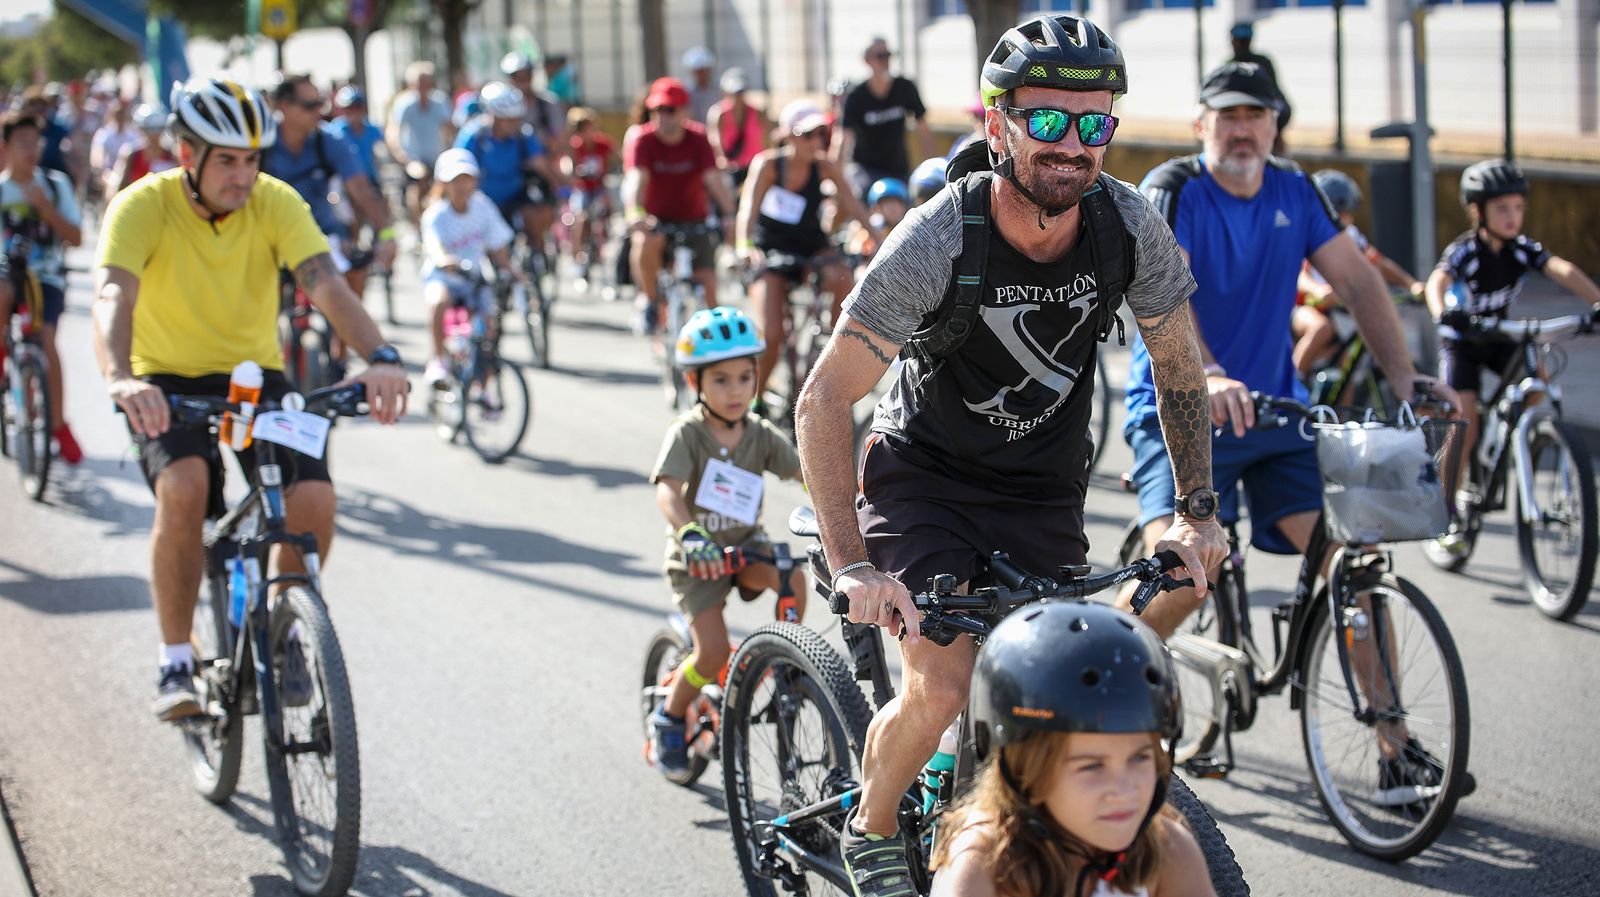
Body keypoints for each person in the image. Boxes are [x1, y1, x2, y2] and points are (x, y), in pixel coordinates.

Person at [793, 17, 1225, 895]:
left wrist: (1198, 513)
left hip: (1042, 489)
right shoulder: (939, 236)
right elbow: (824, 397)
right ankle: (871, 828)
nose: (1073, 145)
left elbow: (1178, 365)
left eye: (1093, 122)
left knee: (1062, 685)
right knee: (945, 683)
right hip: (927, 479)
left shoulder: (1127, 225)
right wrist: (854, 565)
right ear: (998, 126)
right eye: (1048, 121)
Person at [1126, 61, 1460, 806]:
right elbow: (1160, 295)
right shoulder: (1174, 189)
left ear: (1275, 124)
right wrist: (1206, 371)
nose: (1243, 129)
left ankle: (1394, 745)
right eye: (1228, 114)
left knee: (1355, 557)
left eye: (1258, 115)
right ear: (1200, 123)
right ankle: (1097, 707)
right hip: (1182, 411)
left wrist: (1407, 380)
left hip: (1278, 414)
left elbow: (1358, 281)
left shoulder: (1293, 188)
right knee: (1181, 570)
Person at [90, 77, 407, 720]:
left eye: (252, 159)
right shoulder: (140, 206)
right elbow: (112, 296)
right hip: (164, 380)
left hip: (254, 379)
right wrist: (122, 377)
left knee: (313, 496)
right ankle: (176, 659)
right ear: (188, 155)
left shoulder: (275, 202)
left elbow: (326, 285)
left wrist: (381, 356)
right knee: (182, 489)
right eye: (227, 161)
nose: (243, 175)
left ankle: (287, 626)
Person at [930, 602, 1215, 897]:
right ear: (1025, 770)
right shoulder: (982, 864)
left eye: (1139, 758)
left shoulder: (1164, 847)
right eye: (1091, 766)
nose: (1124, 790)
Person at [645, 306, 806, 777]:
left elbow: (802, 473)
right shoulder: (688, 434)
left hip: (744, 548)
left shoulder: (759, 433)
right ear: (696, 384)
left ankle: (786, 672)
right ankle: (670, 716)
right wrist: (691, 533)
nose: (736, 391)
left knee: (791, 576)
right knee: (711, 653)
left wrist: (844, 501)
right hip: (698, 562)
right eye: (720, 380)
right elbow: (667, 492)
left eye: (744, 377)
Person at [1425, 159, 1600, 556]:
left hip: (1501, 336)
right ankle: (1443, 508)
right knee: (1461, 419)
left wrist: (1596, 300)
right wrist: (1441, 312)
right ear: (1479, 211)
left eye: (1518, 208)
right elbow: (1439, 280)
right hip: (1464, 342)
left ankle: (1523, 434)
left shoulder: (1522, 250)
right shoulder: (1466, 251)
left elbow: (1561, 268)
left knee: (1538, 380)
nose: (1512, 217)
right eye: (1502, 208)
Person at [737, 99, 877, 408]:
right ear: (787, 135)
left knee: (842, 273)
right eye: (807, 134)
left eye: (820, 134)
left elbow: (853, 204)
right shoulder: (769, 164)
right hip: (771, 252)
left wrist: (879, 240)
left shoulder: (824, 166)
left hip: (810, 247)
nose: (815, 142)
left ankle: (832, 340)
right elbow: (747, 209)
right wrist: (745, 246)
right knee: (771, 334)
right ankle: (756, 400)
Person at [264, 74, 398, 307]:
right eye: (310, 105)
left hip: (321, 231)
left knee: (352, 278)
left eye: (321, 103)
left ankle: (343, 344)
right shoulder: (262, 143)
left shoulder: (329, 140)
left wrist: (386, 235)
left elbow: (360, 189)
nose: (319, 111)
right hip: (270, 234)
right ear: (284, 107)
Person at [0, 111, 85, 464]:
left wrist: (45, 208)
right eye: (23, 143)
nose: (31, 150)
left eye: (36, 142)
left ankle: (58, 424)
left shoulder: (54, 184)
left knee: (46, 341)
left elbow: (76, 237)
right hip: (7, 276)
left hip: (46, 277)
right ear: (5, 147)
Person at [623, 77, 736, 333]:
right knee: (644, 242)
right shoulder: (642, 139)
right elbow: (636, 180)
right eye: (657, 110)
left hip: (693, 220)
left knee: (708, 289)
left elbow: (714, 181)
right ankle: (650, 301)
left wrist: (730, 214)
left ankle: (713, 353)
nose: (663, 116)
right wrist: (634, 213)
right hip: (656, 220)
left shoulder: (698, 138)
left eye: (670, 109)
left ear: (684, 111)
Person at [1291, 169, 1425, 375]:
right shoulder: (1305, 232)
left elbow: (1379, 264)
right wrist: (1319, 291)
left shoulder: (1351, 236)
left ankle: (1342, 408)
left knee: (1348, 368)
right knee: (1321, 329)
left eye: (1349, 214)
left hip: (1340, 311)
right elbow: (1299, 274)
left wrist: (1410, 284)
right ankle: (1292, 380)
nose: (1345, 220)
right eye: (1338, 213)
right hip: (1304, 308)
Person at [418, 148, 528, 384]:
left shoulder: (483, 208)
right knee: (439, 302)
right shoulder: (436, 214)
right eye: (455, 179)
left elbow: (498, 247)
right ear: (443, 183)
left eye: (466, 178)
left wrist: (513, 271)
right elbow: (433, 245)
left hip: (474, 279)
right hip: (443, 277)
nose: (461, 185)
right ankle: (438, 360)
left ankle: (484, 386)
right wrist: (444, 260)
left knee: (488, 330)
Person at [454, 81, 559, 258]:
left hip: (515, 196)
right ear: (493, 116)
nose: (513, 124)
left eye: (515, 119)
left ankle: (537, 254)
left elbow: (541, 164)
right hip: (483, 200)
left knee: (540, 213)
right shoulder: (473, 136)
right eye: (507, 120)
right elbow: (458, 170)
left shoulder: (523, 136)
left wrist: (561, 186)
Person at [834, 37, 934, 201]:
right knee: (864, 199)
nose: (885, 61)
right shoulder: (856, 96)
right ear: (867, 60)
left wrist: (930, 166)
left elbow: (923, 128)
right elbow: (843, 137)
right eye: (880, 56)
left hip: (898, 168)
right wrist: (836, 177)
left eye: (888, 55)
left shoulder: (905, 88)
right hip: (866, 169)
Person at [387, 61, 456, 233]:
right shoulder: (404, 103)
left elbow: (449, 128)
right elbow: (394, 130)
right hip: (414, 155)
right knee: (419, 182)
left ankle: (438, 226)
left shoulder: (440, 101)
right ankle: (417, 228)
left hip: (436, 154)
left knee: (442, 190)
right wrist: (401, 155)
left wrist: (451, 152)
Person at [564, 106, 618, 283]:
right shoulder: (575, 146)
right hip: (583, 188)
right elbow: (568, 167)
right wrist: (573, 174)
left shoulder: (603, 143)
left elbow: (620, 155)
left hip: (600, 187)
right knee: (580, 219)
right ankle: (578, 258)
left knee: (607, 208)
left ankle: (605, 236)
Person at [1227, 23, 1289, 149]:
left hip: (1269, 112)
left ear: (1235, 41)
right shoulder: (1264, 61)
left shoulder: (1230, 66)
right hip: (1280, 111)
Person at [705, 67, 767, 192]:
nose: (738, 97)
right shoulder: (719, 113)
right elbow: (714, 139)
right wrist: (722, 159)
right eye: (734, 93)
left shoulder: (757, 112)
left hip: (753, 166)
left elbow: (765, 139)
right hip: (731, 168)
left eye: (741, 92)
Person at [107, 104, 179, 196]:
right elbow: (118, 187)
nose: (153, 136)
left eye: (158, 130)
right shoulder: (132, 154)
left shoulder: (172, 156)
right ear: (141, 129)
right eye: (149, 130)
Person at [842, 177, 909, 263]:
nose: (893, 208)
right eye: (887, 204)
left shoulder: (909, 224)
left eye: (896, 203)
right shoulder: (871, 227)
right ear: (877, 209)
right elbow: (856, 251)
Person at [682, 46, 719, 123]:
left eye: (706, 70)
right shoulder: (686, 93)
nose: (703, 74)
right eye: (699, 71)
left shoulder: (718, 90)